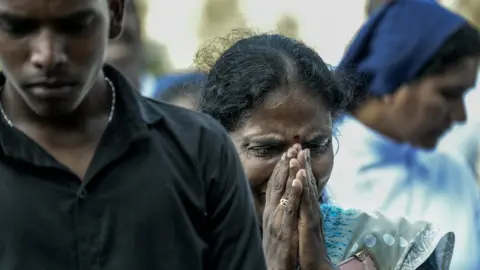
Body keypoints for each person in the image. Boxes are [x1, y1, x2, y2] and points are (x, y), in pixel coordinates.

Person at [0, 0, 266, 269]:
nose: (47, 56)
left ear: (115, 13)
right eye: (17, 28)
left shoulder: (201, 150)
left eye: (75, 26)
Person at [198, 30, 454, 269]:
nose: (295, 170)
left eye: (316, 145)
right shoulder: (180, 247)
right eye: (267, 148)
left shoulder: (395, 249)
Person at [329, 0, 480, 269]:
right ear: (393, 77)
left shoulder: (452, 172)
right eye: (449, 94)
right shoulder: (320, 172)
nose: (460, 116)